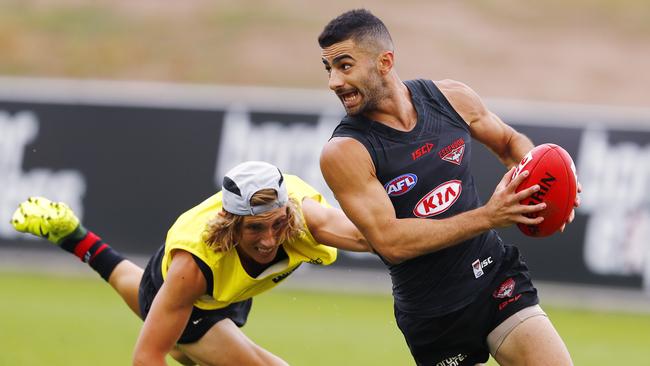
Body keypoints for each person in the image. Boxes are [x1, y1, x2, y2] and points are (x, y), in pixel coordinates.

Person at [318, 9, 580, 366]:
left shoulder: (452, 99)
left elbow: (509, 142)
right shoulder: (345, 152)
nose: (334, 81)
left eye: (344, 66)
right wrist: (487, 216)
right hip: (434, 316)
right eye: (328, 68)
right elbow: (390, 242)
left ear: (384, 62)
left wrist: (546, 186)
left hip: (494, 277)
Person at [11, 161, 370, 366]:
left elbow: (374, 236)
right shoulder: (195, 263)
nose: (269, 240)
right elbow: (147, 357)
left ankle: (75, 237)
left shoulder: (307, 219)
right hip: (189, 294)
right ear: (231, 225)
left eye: (277, 224)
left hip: (217, 293)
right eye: (255, 229)